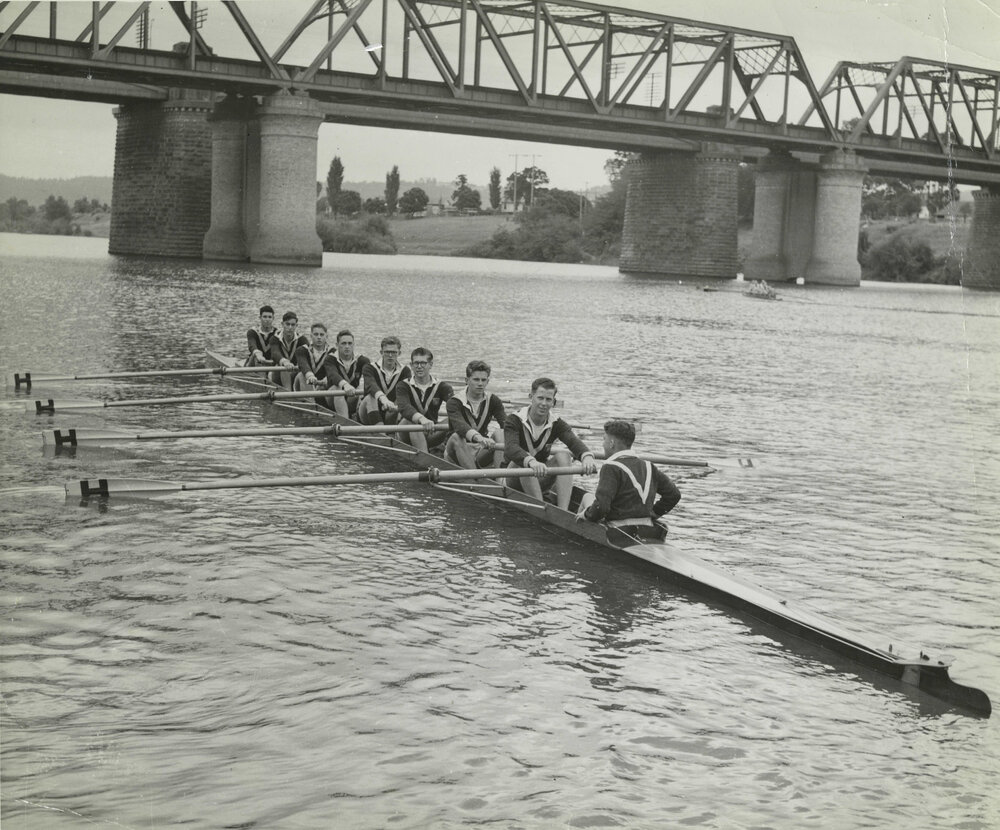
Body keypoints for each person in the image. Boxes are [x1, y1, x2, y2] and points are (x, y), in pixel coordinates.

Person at [576, 420, 681, 546]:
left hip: (617, 532)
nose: (603, 445)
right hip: (647, 528)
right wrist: (653, 514)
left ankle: (576, 528)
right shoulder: (649, 466)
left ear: (611, 443)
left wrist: (587, 515)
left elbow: (602, 507)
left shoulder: (610, 467)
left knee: (587, 497)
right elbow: (674, 495)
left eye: (604, 440)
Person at [504, 377, 597, 510]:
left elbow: (573, 441)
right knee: (523, 465)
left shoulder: (556, 423)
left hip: (540, 476)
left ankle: (562, 512)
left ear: (554, 402)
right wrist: (531, 461)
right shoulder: (513, 420)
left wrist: (587, 456)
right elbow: (510, 448)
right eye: (540, 398)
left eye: (548, 399)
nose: (544, 403)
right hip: (514, 478)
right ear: (531, 397)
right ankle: (541, 509)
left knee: (563, 455)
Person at [445, 360, 506, 469]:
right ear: (467, 380)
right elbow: (460, 427)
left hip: (480, 450)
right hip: (457, 449)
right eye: (476, 379)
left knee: (501, 433)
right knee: (456, 437)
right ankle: (474, 479)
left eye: (483, 380)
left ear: (488, 381)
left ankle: (500, 479)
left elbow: (506, 424)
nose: (480, 384)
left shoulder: (493, 400)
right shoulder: (454, 402)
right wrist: (479, 438)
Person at [396, 347, 454, 453]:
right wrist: (421, 419)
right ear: (411, 365)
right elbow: (404, 407)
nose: (419, 367)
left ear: (430, 365)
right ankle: (425, 458)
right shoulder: (403, 386)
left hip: (431, 431)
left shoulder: (442, 386)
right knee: (411, 420)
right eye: (416, 363)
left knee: (456, 417)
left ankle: (450, 450)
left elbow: (454, 406)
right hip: (406, 432)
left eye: (423, 363)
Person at [358, 336, 411, 425]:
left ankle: (388, 431)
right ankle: (381, 433)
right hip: (367, 413)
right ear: (381, 352)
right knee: (370, 397)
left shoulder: (405, 371)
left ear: (399, 353)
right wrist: (384, 399)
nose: (390, 355)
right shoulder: (369, 368)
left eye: (394, 352)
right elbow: (371, 385)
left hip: (390, 412)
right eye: (387, 352)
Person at [324, 329, 371, 419]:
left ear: (353, 345)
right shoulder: (330, 359)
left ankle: (358, 416)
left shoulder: (362, 360)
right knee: (338, 388)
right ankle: (345, 423)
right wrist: (345, 385)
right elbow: (333, 375)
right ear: (337, 345)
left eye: (350, 343)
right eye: (343, 343)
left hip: (352, 396)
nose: (347, 346)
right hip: (332, 397)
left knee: (363, 388)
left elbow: (370, 377)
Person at [293, 323, 337, 408]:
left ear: (326, 336)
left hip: (323, 386)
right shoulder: (301, 350)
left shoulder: (333, 352)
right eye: (316, 334)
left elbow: (334, 369)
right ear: (311, 336)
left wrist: (328, 378)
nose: (319, 337)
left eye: (322, 334)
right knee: (302, 375)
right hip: (305, 383)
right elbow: (303, 364)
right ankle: (311, 405)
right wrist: (310, 376)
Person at [268, 311, 308, 390]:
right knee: (284, 369)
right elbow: (275, 353)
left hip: (294, 373)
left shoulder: (302, 340)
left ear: (296, 326)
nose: (290, 327)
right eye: (287, 324)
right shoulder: (274, 338)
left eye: (293, 325)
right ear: (282, 324)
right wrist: (284, 362)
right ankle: (288, 392)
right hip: (278, 373)